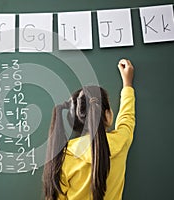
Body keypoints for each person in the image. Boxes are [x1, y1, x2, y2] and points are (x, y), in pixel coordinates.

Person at [42, 59, 135, 200]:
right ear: (107, 115)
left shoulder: (64, 157)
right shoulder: (121, 142)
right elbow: (126, 119)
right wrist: (127, 84)